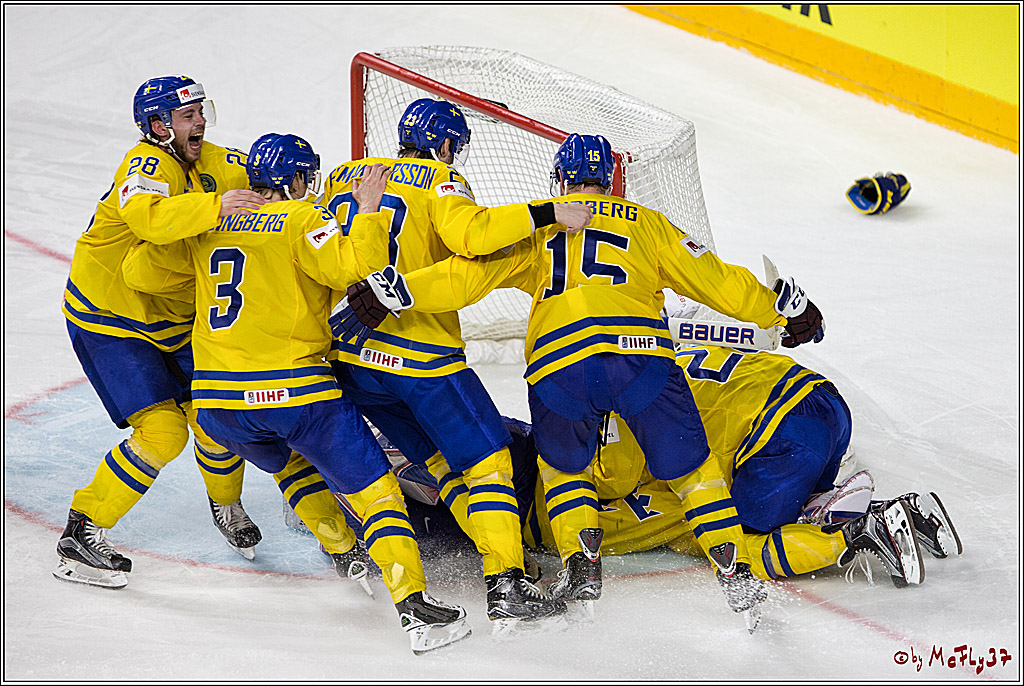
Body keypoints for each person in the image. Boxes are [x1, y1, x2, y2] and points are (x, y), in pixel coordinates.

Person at [331, 132, 827, 613]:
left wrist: (394, 289)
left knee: (564, 470)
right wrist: (779, 312)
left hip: (560, 364)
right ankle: (734, 570)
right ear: (609, 181)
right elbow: (717, 281)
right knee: (694, 472)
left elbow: (464, 277)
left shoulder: (543, 226)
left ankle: (580, 567)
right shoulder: (648, 224)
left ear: (560, 179)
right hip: (642, 358)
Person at [315, 346, 959, 632]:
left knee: (748, 538)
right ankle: (847, 514)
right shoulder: (600, 401)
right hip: (810, 402)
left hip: (782, 431)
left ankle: (853, 531)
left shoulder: (588, 466)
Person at [123, 131, 470, 654]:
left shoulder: (210, 224)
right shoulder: (304, 220)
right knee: (375, 490)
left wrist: (200, 223)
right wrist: (370, 211)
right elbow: (359, 267)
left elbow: (139, 271)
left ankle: (343, 551)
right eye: (308, 176)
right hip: (296, 395)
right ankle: (415, 608)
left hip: (219, 407)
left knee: (292, 467)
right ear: (295, 180)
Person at [319, 98, 591, 631]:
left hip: (351, 356)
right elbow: (474, 236)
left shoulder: (343, 176)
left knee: (442, 467)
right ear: (445, 144)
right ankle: (507, 583)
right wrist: (544, 212)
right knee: (490, 462)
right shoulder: (441, 179)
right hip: (421, 361)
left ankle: (505, 558)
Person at [55, 75, 271, 589]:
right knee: (164, 432)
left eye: (201, 110)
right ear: (157, 126)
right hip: (113, 321)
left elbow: (268, 173)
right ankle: (81, 532)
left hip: (173, 316)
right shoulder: (145, 165)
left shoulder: (215, 160)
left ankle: (226, 504)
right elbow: (149, 219)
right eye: (187, 114)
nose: (199, 121)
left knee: (216, 413)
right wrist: (217, 207)